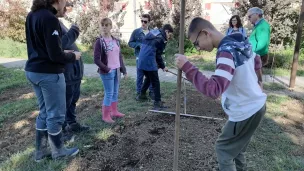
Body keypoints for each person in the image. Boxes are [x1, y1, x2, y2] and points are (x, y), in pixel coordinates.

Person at [175, 17, 267, 170]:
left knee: (223, 149)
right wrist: (259, 81)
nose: (197, 48)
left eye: (196, 43)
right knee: (237, 148)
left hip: (245, 111)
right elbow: (256, 59)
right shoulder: (240, 40)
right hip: (257, 106)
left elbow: (213, 90)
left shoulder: (225, 52)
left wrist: (187, 67)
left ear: (205, 33)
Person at [25, 0, 81, 162]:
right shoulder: (50, 19)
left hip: (34, 70)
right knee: (55, 114)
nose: (66, 3)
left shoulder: (32, 15)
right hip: (49, 73)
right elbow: (55, 56)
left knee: (44, 112)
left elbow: (43, 47)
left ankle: (40, 152)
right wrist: (73, 56)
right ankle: (59, 151)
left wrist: (62, 51)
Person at [55, 2, 90, 136]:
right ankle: (64, 130)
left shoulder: (59, 22)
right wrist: (74, 30)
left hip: (75, 72)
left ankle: (72, 123)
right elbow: (60, 45)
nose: (66, 9)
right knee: (65, 102)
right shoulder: (52, 24)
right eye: (65, 5)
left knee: (73, 100)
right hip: (67, 72)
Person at [93, 18, 127, 123]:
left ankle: (114, 111)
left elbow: (119, 56)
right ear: (100, 26)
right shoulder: (99, 42)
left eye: (107, 25)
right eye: (102, 25)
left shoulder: (115, 40)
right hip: (107, 71)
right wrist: (107, 69)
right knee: (109, 93)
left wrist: (123, 70)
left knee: (115, 92)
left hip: (116, 70)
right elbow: (96, 60)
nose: (104, 27)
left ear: (111, 27)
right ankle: (106, 116)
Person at [136, 24, 173, 110]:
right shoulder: (161, 39)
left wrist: (160, 65)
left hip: (141, 61)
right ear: (166, 31)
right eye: (169, 34)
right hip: (149, 61)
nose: (169, 37)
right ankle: (157, 102)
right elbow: (158, 55)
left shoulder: (154, 32)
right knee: (156, 82)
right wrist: (163, 66)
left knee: (149, 78)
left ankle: (141, 95)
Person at [128, 14, 154, 99]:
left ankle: (151, 92)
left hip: (150, 58)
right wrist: (139, 45)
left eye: (145, 21)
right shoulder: (136, 32)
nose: (143, 23)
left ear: (149, 22)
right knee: (140, 76)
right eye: (142, 21)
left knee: (150, 76)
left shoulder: (152, 33)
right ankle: (140, 93)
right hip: (139, 58)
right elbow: (130, 43)